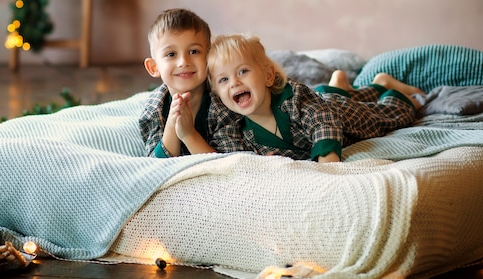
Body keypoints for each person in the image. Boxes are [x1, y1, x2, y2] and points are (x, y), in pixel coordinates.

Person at [207, 33, 424, 163]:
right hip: (322, 97)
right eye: (223, 80)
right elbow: (235, 157)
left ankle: (391, 90)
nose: (234, 82)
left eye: (242, 71)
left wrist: (327, 164)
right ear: (217, 95)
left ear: (268, 75)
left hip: (340, 114)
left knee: (395, 113)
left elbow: (322, 120)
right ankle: (354, 84)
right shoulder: (237, 131)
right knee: (330, 97)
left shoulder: (292, 97)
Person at [139, 8, 229, 157]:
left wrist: (188, 134)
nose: (183, 62)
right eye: (171, 54)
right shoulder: (155, 108)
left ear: (210, 57)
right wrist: (172, 123)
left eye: (194, 51)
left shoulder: (222, 101)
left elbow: (228, 163)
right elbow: (155, 164)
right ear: (154, 67)